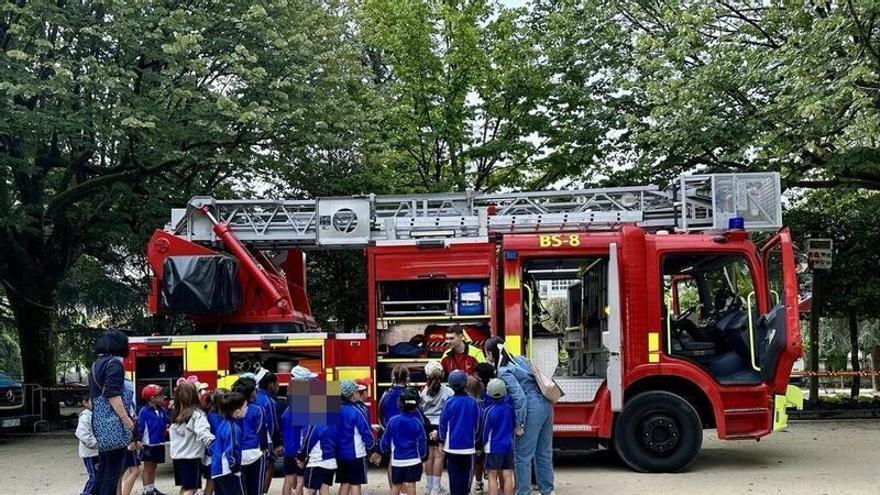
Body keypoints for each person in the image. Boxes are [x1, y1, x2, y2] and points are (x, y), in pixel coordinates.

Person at [483, 337, 554, 495]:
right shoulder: (520, 359)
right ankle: (547, 490)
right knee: (544, 452)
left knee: (522, 455)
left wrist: (519, 423)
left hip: (531, 409)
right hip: (546, 405)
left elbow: (520, 398)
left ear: (489, 353)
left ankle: (523, 491)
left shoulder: (503, 371)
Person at [88, 329, 136, 495]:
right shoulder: (114, 364)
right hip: (114, 424)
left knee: (104, 469)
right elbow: (113, 394)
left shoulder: (96, 364)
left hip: (100, 424)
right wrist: (126, 420)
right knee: (113, 473)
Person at [435, 370, 481, 495]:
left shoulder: (448, 403)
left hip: (451, 446)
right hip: (468, 446)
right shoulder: (473, 402)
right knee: (466, 475)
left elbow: (443, 424)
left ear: (450, 385)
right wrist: (476, 441)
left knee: (454, 476)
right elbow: (477, 424)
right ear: (466, 384)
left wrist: (441, 440)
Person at [377, 388, 428, 495]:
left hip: (397, 460)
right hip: (414, 460)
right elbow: (422, 442)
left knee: (396, 486)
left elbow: (384, 440)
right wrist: (423, 457)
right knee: (411, 485)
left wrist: (380, 451)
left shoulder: (392, 421)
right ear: (415, 406)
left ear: (400, 403)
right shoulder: (417, 423)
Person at [170, 380, 216, 495]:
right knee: (192, 488)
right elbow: (203, 432)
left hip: (177, 457)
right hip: (191, 457)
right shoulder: (197, 415)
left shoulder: (175, 414)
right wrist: (212, 444)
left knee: (185, 487)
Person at [336, 379, 376, 495]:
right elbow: (366, 432)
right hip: (356, 453)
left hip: (340, 453)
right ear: (353, 394)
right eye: (357, 391)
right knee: (355, 484)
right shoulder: (356, 411)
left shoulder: (335, 409)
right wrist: (373, 448)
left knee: (344, 483)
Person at [282, 366, 317, 495]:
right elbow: (306, 433)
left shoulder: (287, 410)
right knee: (302, 482)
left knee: (288, 481)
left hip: (288, 450)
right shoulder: (304, 408)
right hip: (299, 451)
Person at [420, 361, 453, 495]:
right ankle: (436, 487)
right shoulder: (448, 391)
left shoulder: (423, 391)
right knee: (439, 456)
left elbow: (420, 409)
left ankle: (428, 486)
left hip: (427, 425)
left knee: (429, 456)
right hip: (441, 425)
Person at [232, 377, 268, 495]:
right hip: (255, 452)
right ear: (251, 392)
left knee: (241, 490)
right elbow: (261, 432)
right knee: (257, 490)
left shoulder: (231, 410)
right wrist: (264, 449)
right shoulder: (258, 410)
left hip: (238, 453)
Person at [482, 379, 515, 495]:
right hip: (508, 446)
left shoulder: (488, 411)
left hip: (493, 448)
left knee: (492, 474)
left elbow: (485, 432)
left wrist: (481, 446)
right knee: (508, 475)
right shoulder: (510, 409)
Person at [211, 391, 248, 495]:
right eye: (245, 407)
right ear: (237, 412)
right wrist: (235, 468)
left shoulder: (224, 424)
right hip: (228, 471)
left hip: (218, 470)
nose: (247, 409)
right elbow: (231, 450)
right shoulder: (232, 428)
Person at [137, 384, 169, 495]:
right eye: (160, 395)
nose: (163, 397)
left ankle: (151, 487)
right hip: (148, 445)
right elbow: (140, 427)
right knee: (148, 467)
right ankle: (147, 490)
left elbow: (166, 421)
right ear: (152, 398)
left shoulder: (162, 410)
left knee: (154, 466)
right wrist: (138, 440)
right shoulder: (144, 411)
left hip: (159, 443)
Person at [255, 370, 281, 493]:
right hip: (266, 440)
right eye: (277, 383)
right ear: (271, 385)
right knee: (269, 465)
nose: (278, 386)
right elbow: (273, 425)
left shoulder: (253, 397)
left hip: (251, 440)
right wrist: (277, 444)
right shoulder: (269, 402)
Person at [296, 422, 338, 495]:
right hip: (331, 461)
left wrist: (301, 458)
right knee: (324, 491)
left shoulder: (316, 425)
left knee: (308, 491)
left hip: (316, 462)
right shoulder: (333, 424)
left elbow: (308, 442)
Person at [119, 376, 142, 495]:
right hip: (126, 441)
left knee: (130, 471)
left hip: (128, 440)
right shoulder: (124, 408)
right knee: (132, 471)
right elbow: (130, 423)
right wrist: (133, 440)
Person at [76, 397, 99, 495]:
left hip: (98, 452)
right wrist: (97, 444)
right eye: (92, 401)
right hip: (90, 453)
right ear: (85, 402)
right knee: (94, 477)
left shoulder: (97, 415)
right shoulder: (85, 417)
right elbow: (82, 434)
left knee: (99, 476)